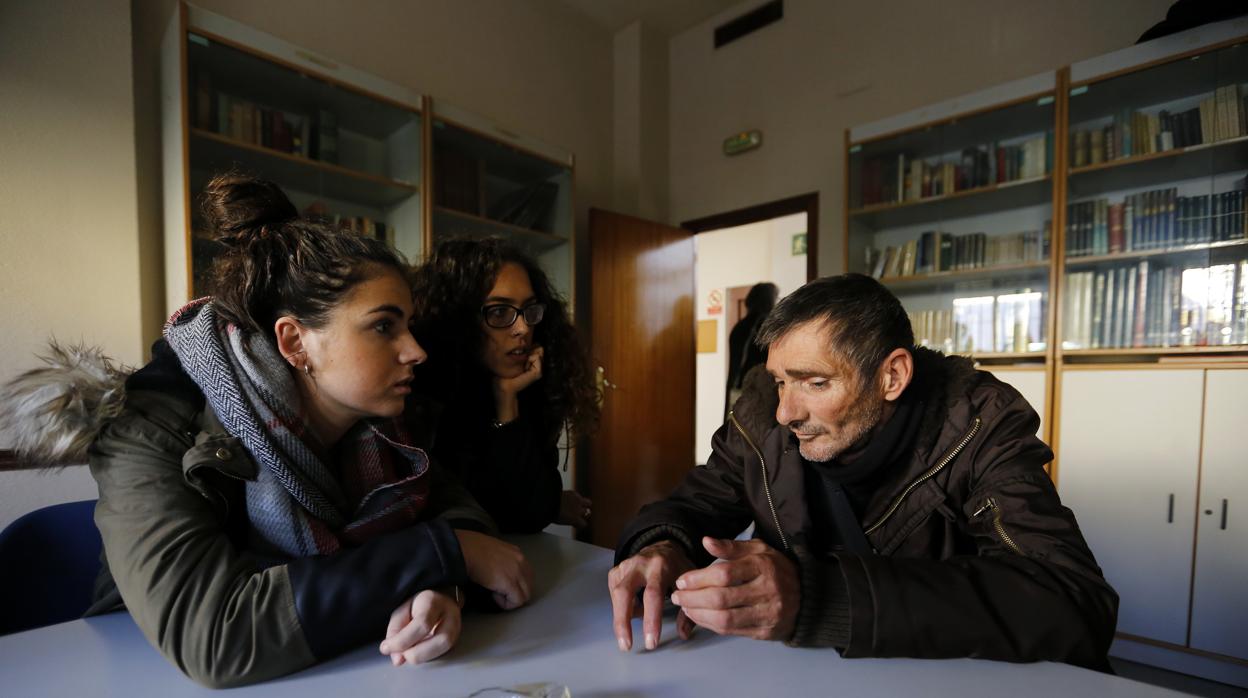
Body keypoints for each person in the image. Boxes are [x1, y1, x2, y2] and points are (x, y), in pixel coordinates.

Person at [8, 174, 535, 687]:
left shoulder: (380, 420)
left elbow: (457, 508)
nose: (415, 350)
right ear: (295, 342)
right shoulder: (150, 428)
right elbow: (215, 637)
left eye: (410, 325)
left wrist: (441, 589)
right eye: (383, 326)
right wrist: (442, 555)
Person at [608, 273, 1118, 669]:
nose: (787, 412)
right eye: (781, 380)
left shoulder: (980, 422)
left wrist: (818, 597)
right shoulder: (762, 413)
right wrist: (662, 544)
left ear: (891, 376)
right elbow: (696, 503)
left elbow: (1072, 600)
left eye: (814, 382)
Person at [410, 238, 599, 533]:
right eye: (499, 312)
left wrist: (506, 401)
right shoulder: (421, 397)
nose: (522, 328)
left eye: (529, 310)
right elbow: (462, 511)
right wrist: (552, 505)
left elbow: (531, 513)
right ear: (459, 319)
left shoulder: (530, 386)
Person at [725, 282, 778, 419]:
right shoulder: (762, 324)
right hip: (756, 390)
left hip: (736, 387)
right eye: (775, 298)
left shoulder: (740, 326)